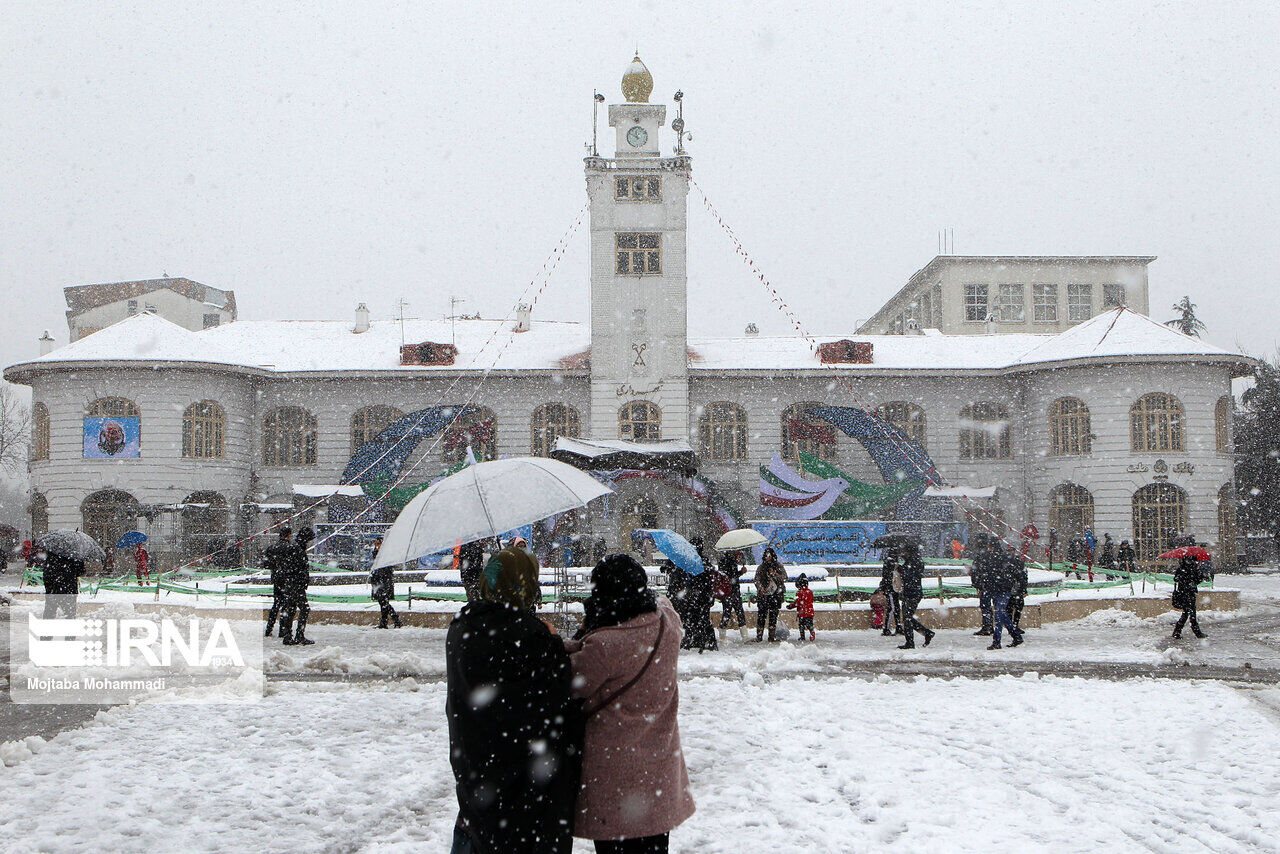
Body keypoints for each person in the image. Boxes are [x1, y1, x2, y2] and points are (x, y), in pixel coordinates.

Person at [446, 546, 582, 854]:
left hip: (475, 780)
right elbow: (558, 699)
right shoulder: (531, 637)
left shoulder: (461, 627)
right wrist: (551, 641)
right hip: (527, 799)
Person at [564, 554, 695, 852]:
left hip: (615, 782)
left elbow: (573, 681)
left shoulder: (603, 645)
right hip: (658, 773)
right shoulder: (667, 623)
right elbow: (662, 601)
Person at [984, 544, 1025, 650]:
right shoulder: (1007, 561)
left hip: (1000, 591)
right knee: (1001, 615)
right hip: (1003, 591)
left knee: (999, 615)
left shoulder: (994, 560)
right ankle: (1015, 636)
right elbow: (1019, 575)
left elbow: (989, 576)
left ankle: (998, 641)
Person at [896, 540, 935, 649]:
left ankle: (911, 641)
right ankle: (926, 633)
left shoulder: (914, 562)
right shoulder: (913, 560)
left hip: (912, 593)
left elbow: (909, 576)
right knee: (907, 617)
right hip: (912, 592)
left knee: (907, 618)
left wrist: (900, 568)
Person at [680, 537, 717, 652]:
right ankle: (694, 639)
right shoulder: (689, 560)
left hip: (701, 595)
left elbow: (708, 577)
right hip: (695, 595)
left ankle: (705, 641)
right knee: (693, 618)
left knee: (702, 618)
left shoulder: (702, 560)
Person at [280, 526, 315, 646]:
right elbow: (297, 568)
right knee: (304, 609)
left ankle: (288, 635)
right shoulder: (298, 549)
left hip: (292, 583)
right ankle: (299, 635)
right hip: (296, 584)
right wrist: (301, 580)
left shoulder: (295, 547)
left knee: (291, 609)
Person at [262, 526, 293, 639]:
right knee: (285, 605)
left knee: (276, 604)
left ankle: (269, 628)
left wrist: (275, 568)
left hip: (276, 578)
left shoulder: (272, 548)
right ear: (288, 535)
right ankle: (282, 630)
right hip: (287, 579)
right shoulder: (290, 548)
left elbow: (266, 563)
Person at [754, 548, 787, 642]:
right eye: (766, 556)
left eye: (769, 555)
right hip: (764, 596)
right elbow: (757, 579)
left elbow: (784, 577)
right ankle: (759, 636)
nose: (768, 558)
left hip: (775, 595)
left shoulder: (778, 566)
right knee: (761, 616)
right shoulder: (761, 567)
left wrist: (775, 574)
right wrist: (760, 588)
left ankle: (771, 636)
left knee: (773, 616)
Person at [1171, 554, 1207, 639]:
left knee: (1186, 612)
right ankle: (1196, 632)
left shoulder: (1181, 568)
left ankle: (1177, 631)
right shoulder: (1193, 568)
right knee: (1191, 613)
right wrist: (1199, 574)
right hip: (1189, 593)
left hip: (1182, 593)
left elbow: (1176, 579)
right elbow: (1198, 579)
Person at [41, 550, 84, 618]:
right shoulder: (74, 554)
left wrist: (49, 586)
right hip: (69, 588)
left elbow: (46, 572)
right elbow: (81, 570)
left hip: (53, 588)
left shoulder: (52, 552)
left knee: (49, 613)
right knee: (69, 614)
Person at [369, 541, 401, 630]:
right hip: (378, 580)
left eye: (378, 544)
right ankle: (388, 621)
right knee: (383, 601)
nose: (377, 546)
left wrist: (381, 575)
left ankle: (393, 620)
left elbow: (387, 568)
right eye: (375, 544)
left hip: (384, 580)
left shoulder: (386, 555)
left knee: (383, 601)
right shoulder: (377, 553)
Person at [717, 550, 748, 638]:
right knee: (736, 611)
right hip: (731, 591)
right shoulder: (729, 561)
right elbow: (731, 576)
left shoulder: (725, 560)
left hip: (728, 591)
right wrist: (741, 572)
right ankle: (743, 634)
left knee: (728, 612)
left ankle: (722, 632)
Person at [969, 534, 996, 636]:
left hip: (984, 584)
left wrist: (978, 583)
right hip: (987, 583)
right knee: (987, 606)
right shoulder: (987, 554)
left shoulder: (981, 554)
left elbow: (979, 570)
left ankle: (987, 626)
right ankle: (989, 626)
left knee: (985, 605)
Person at [876, 549, 902, 636]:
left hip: (892, 589)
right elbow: (889, 576)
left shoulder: (889, 562)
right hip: (891, 589)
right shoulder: (890, 563)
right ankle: (887, 628)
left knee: (895, 608)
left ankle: (897, 626)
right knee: (892, 608)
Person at [787, 573, 816, 642]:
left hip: (802, 612)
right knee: (809, 624)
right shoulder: (810, 592)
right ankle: (811, 631)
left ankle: (802, 637)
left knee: (801, 625)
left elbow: (797, 602)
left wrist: (791, 606)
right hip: (810, 612)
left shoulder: (799, 592)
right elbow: (811, 600)